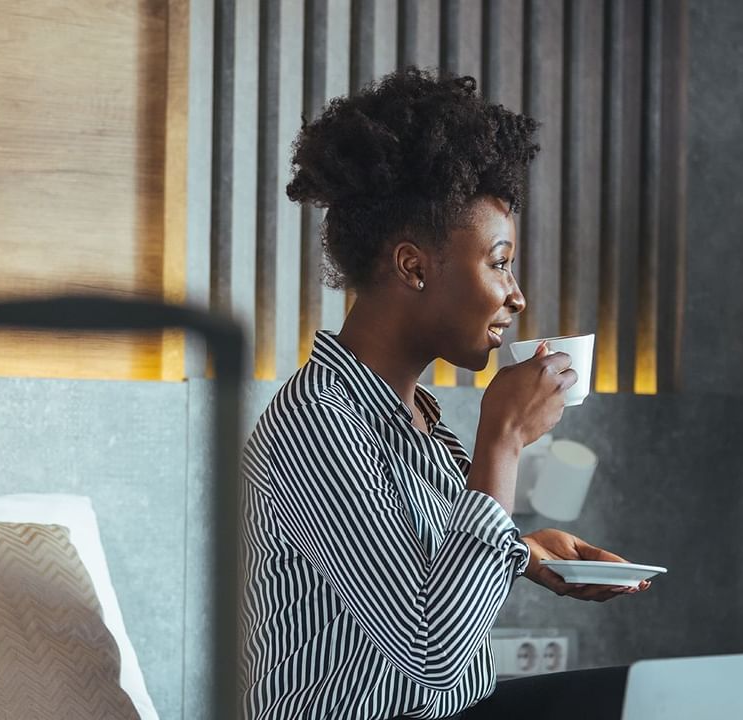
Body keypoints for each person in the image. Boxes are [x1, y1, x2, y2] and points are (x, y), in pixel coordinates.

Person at [240, 67, 647, 720]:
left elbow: (422, 578)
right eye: (499, 261)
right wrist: (503, 439)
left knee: (640, 697)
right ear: (412, 266)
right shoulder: (315, 424)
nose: (516, 295)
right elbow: (434, 651)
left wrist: (526, 553)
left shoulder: (416, 425)